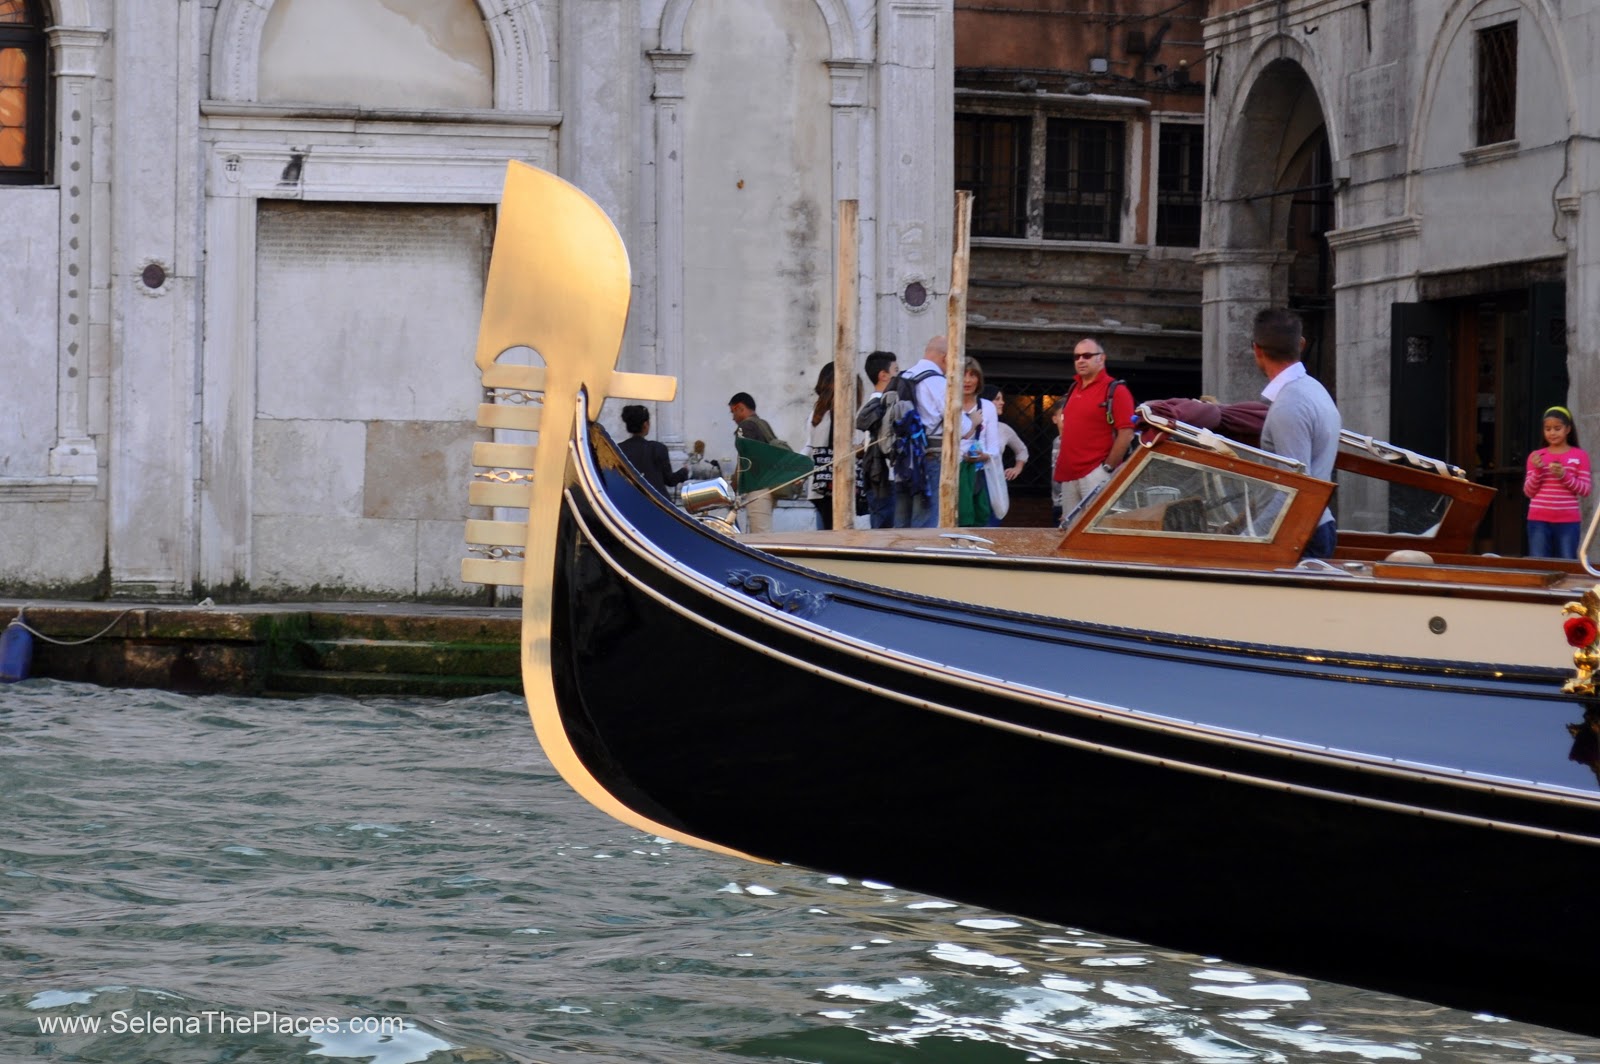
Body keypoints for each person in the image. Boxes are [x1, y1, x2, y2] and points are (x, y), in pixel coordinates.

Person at [1251, 307, 1341, 558]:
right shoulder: (1315, 390)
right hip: (1314, 527)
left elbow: (1296, 488)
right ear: (1301, 344)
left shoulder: (1290, 404)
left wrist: (1250, 538)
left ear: (1256, 349)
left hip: (1300, 534)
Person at [1052, 338, 1136, 523]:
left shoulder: (1116, 390)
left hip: (1095, 473)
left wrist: (1107, 468)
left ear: (1101, 359)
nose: (1081, 360)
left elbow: (1126, 432)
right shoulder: (1074, 387)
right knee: (1069, 532)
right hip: (1069, 474)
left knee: (1095, 530)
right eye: (1077, 356)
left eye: (1087, 355)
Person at [893, 336, 949, 528]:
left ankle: (896, 556)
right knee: (925, 520)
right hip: (930, 458)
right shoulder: (936, 382)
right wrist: (974, 421)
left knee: (901, 520)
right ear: (946, 357)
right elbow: (962, 427)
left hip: (902, 459)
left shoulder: (903, 377)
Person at [1524, 405, 1592, 558]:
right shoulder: (1536, 456)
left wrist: (1564, 475)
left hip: (1568, 520)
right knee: (1539, 563)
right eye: (1548, 429)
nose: (1552, 433)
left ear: (1567, 429)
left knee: (1567, 563)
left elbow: (1585, 490)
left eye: (1557, 428)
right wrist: (1538, 471)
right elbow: (1529, 491)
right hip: (1538, 519)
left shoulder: (1580, 455)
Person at [854, 350, 899, 528]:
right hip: (883, 476)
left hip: (878, 476)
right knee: (884, 529)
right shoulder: (880, 406)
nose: (900, 375)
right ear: (883, 375)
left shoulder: (871, 405)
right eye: (896, 370)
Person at [960, 360, 1007, 526]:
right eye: (963, 375)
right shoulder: (948, 405)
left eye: (972, 375)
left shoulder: (987, 407)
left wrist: (984, 455)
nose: (967, 380)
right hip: (954, 475)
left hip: (981, 473)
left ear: (979, 379)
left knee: (983, 522)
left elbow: (993, 445)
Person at [729, 391, 779, 533]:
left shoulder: (746, 426)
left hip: (758, 488)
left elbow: (746, 458)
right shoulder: (763, 424)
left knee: (761, 535)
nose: (733, 418)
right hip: (770, 486)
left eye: (733, 412)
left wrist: (735, 483)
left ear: (740, 407)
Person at [616, 405, 688, 495]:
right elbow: (670, 480)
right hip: (656, 503)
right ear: (645, 425)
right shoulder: (658, 448)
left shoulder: (619, 449)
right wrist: (684, 471)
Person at [807, 364, 841, 529]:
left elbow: (809, 445)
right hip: (833, 484)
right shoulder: (837, 413)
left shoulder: (816, 414)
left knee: (824, 530)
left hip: (817, 483)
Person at [982, 384, 1030, 486]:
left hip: (995, 481)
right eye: (997, 399)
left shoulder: (1003, 428)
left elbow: (1022, 450)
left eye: (1002, 399)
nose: (1002, 402)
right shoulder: (970, 423)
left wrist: (1017, 468)